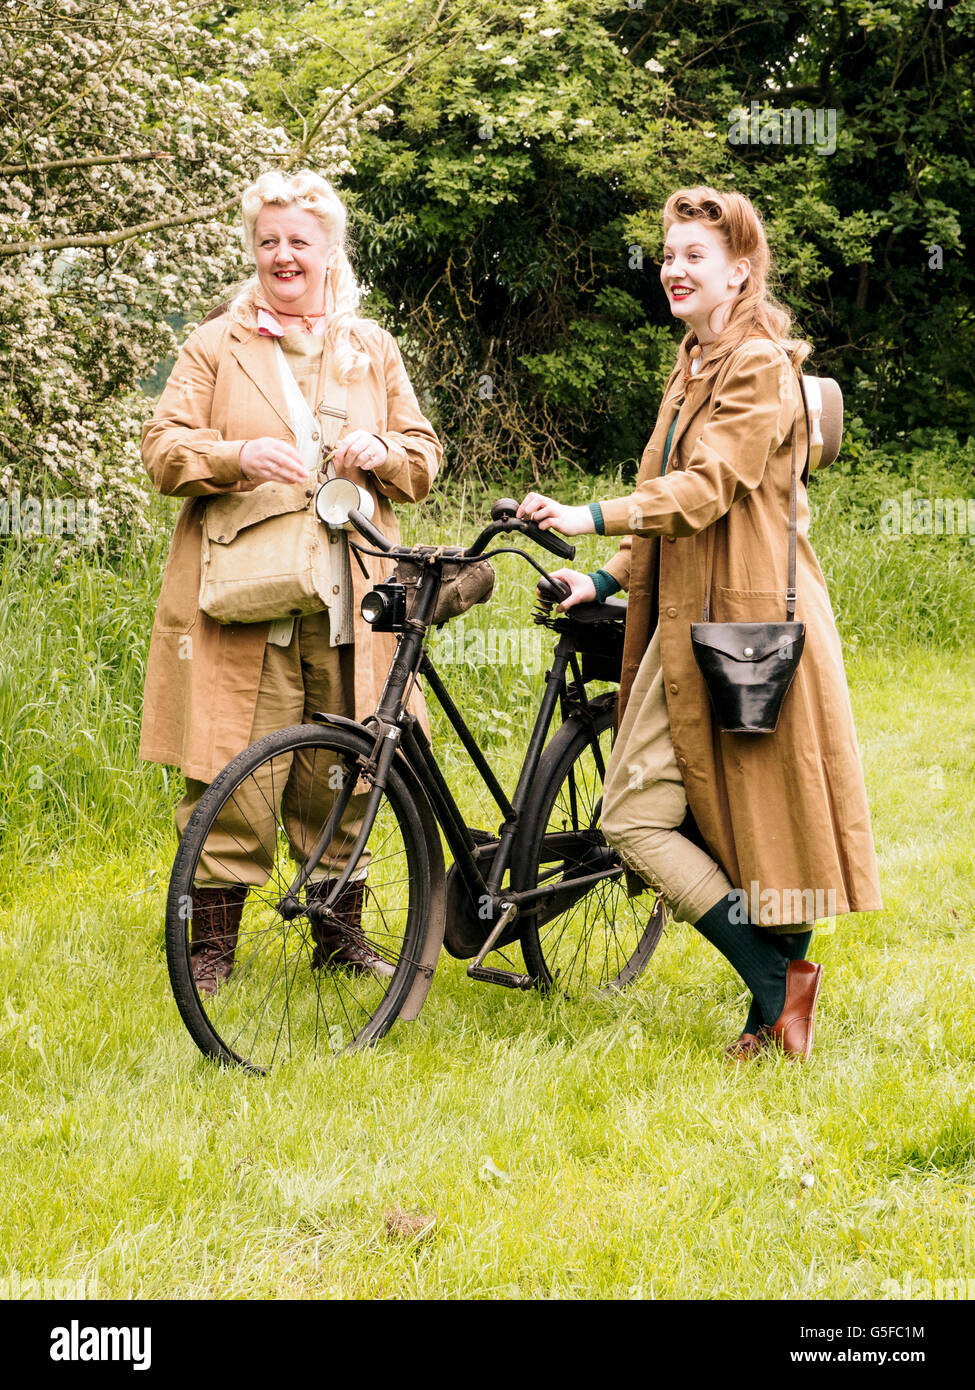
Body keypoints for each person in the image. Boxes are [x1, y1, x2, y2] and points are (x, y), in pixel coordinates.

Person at [517, 186, 882, 1062]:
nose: (674, 270)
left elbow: (703, 490)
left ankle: (770, 1013)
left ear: (739, 273)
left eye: (694, 257)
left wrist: (586, 514)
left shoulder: (756, 365)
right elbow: (672, 518)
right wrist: (600, 576)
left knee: (764, 818)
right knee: (637, 815)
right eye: (668, 255)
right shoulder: (692, 361)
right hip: (685, 618)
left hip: (750, 625)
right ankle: (776, 986)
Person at [140, 168, 442, 995]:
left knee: (349, 766)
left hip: (355, 596)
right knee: (231, 765)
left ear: (330, 251)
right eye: (268, 241)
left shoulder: (369, 347)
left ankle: (339, 933)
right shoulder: (216, 345)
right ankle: (211, 948)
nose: (283, 256)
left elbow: (424, 455)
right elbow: (162, 448)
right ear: (253, 250)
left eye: (298, 242)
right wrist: (234, 458)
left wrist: (384, 454)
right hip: (246, 600)